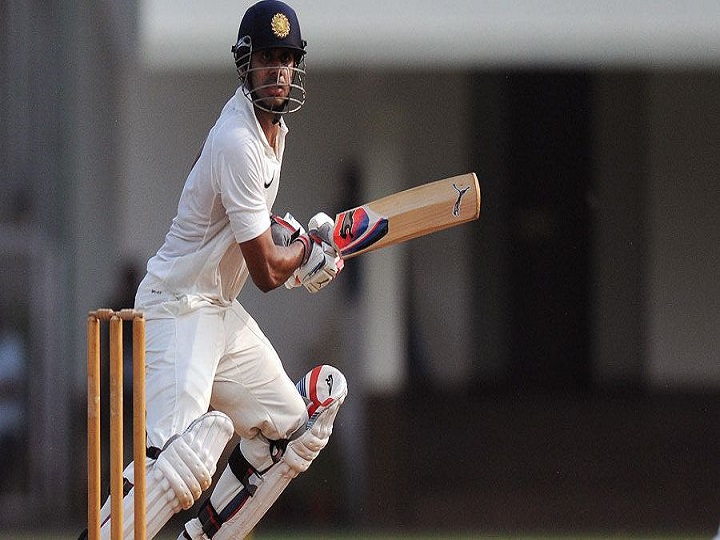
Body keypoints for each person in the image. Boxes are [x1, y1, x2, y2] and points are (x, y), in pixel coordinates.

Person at [84, 2, 348, 538]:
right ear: (245, 64)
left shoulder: (273, 135)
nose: (277, 72)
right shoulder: (238, 141)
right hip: (177, 308)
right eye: (267, 59)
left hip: (219, 310)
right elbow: (269, 273)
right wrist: (304, 255)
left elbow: (252, 246)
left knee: (296, 425)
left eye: (287, 60)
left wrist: (299, 248)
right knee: (179, 463)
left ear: (297, 67)